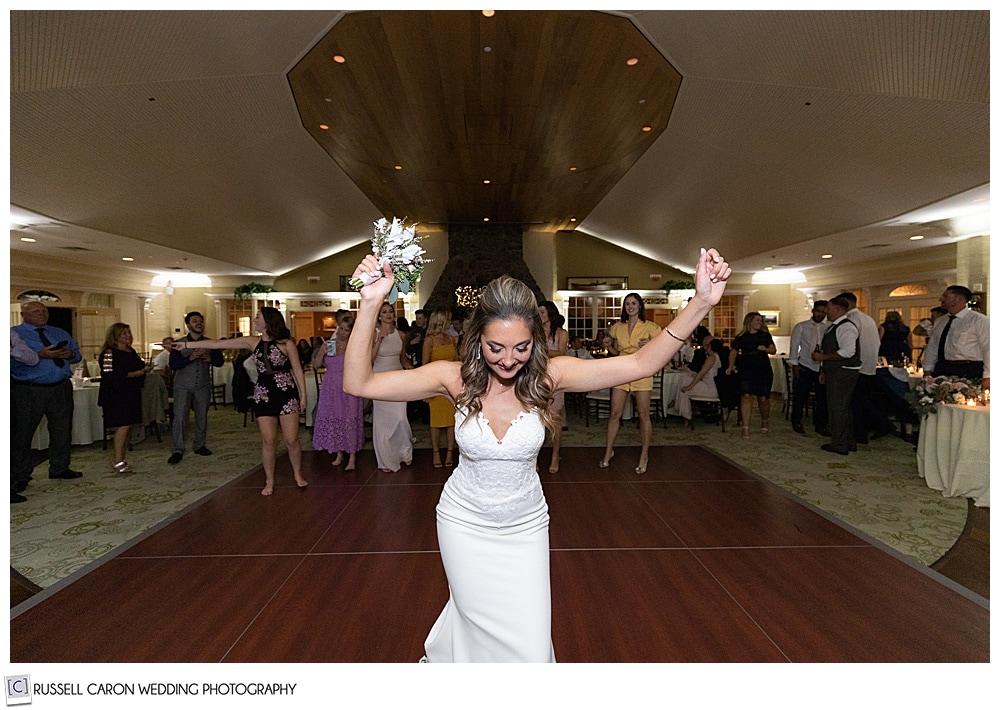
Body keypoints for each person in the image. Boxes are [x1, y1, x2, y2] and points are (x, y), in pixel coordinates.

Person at [344, 246, 731, 663]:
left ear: (536, 340)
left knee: (528, 648)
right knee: (475, 633)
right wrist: (370, 303)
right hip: (463, 524)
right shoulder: (452, 379)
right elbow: (358, 382)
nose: (509, 360)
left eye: (521, 347)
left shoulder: (550, 377)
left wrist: (702, 302)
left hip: (525, 528)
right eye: (496, 348)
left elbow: (639, 362)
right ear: (477, 340)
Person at [170, 307, 308, 494]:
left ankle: (297, 474)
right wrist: (186, 346)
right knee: (269, 441)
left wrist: (303, 395)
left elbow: (298, 370)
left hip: (286, 392)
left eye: (257, 317)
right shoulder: (252, 341)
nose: (254, 320)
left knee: (291, 440)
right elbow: (217, 344)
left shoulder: (287, 343)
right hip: (264, 393)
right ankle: (269, 481)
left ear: (268, 321)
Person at [10, 300, 84, 503]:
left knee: (62, 428)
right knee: (23, 433)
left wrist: (68, 353)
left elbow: (77, 355)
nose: (41, 314)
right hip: (29, 389)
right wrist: (39, 355)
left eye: (44, 310)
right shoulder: (15, 334)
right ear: (24, 315)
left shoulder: (58, 332)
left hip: (60, 386)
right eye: (36, 311)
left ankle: (60, 467)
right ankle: (19, 476)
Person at [600, 293, 663, 474]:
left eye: (634, 303)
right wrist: (607, 346)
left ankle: (644, 455)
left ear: (640, 306)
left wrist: (650, 345)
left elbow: (662, 348)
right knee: (614, 413)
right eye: (627, 304)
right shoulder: (617, 327)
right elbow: (613, 351)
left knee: (643, 414)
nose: (630, 306)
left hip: (642, 371)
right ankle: (608, 451)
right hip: (621, 371)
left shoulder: (650, 327)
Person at [168, 311, 224, 464]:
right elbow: (173, 365)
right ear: (188, 325)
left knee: (202, 416)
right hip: (182, 385)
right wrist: (190, 358)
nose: (198, 323)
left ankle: (199, 445)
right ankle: (177, 449)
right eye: (194, 321)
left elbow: (220, 362)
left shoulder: (211, 343)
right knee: (180, 417)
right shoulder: (178, 343)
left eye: (200, 321)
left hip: (203, 384)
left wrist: (209, 358)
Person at [837, 292, 893, 443]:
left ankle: (882, 424)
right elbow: (876, 343)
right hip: (870, 365)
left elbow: (851, 346)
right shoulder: (868, 319)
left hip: (857, 366)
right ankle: (861, 434)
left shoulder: (850, 321)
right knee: (860, 402)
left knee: (857, 401)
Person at [312, 313, 363, 471]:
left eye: (346, 330)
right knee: (335, 418)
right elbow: (315, 365)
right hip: (331, 386)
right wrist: (322, 352)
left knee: (350, 418)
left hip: (349, 384)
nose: (342, 333)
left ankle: (352, 456)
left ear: (351, 332)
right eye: (340, 328)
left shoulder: (355, 346)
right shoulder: (329, 344)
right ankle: (339, 453)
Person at [97, 323, 150, 473]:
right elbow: (108, 374)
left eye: (129, 332)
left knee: (128, 427)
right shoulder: (108, 353)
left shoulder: (130, 351)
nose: (128, 336)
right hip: (116, 394)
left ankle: (121, 458)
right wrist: (135, 374)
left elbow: (138, 366)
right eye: (123, 333)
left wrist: (144, 370)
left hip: (131, 393)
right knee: (123, 426)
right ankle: (118, 460)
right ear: (115, 336)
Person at [812, 296, 861, 455]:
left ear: (838, 310)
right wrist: (824, 369)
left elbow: (847, 352)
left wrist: (823, 358)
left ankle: (839, 444)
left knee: (837, 408)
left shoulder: (846, 327)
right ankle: (848, 441)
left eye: (829, 308)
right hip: (836, 371)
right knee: (843, 408)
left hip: (843, 372)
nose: (826, 311)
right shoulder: (834, 326)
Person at [371, 301, 415, 472]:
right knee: (383, 422)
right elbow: (369, 359)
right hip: (379, 379)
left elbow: (402, 358)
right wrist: (378, 341)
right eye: (384, 312)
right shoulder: (373, 334)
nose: (388, 314)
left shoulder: (401, 335)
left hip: (397, 378)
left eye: (390, 311)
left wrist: (413, 371)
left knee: (401, 417)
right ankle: (386, 459)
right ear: (379, 316)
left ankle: (405, 452)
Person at [923, 285, 990, 391]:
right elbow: (933, 347)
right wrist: (928, 369)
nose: (941, 299)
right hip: (942, 367)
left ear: (959, 299)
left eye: (946, 296)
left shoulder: (979, 320)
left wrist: (988, 376)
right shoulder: (941, 321)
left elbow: (988, 348)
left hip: (968, 369)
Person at [727, 311, 776, 440]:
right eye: (757, 320)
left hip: (763, 369)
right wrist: (730, 366)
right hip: (746, 369)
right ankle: (746, 427)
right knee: (746, 396)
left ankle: (765, 420)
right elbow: (734, 352)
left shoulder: (765, 336)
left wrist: (765, 349)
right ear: (749, 322)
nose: (759, 323)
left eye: (761, 321)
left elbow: (773, 349)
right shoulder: (741, 337)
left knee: (763, 399)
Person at [422, 308, 459, 468]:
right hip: (435, 385)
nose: (450, 323)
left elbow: (456, 360)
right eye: (447, 320)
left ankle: (450, 453)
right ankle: (436, 453)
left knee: (452, 421)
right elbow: (424, 365)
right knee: (435, 421)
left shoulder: (451, 339)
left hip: (451, 385)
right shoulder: (429, 340)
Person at [787, 300, 829, 435]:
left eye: (823, 312)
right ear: (813, 311)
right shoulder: (801, 327)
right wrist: (794, 364)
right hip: (805, 364)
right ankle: (796, 421)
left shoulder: (828, 327)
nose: (820, 314)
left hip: (822, 367)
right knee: (800, 395)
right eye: (818, 311)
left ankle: (820, 424)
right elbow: (794, 346)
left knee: (822, 397)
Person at [539, 301, 569, 474]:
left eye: (542, 312)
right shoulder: (534, 332)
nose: (540, 315)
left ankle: (555, 455)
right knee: (535, 418)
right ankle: (533, 457)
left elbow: (561, 353)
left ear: (550, 313)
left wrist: (541, 350)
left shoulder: (561, 333)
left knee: (555, 420)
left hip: (555, 378)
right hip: (536, 378)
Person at [675, 335, 724, 428]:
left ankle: (685, 415)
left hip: (710, 389)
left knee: (685, 389)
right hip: (710, 386)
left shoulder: (712, 358)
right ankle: (684, 412)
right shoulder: (715, 357)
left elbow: (701, 373)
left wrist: (690, 386)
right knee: (684, 379)